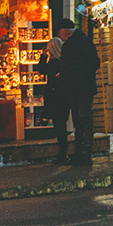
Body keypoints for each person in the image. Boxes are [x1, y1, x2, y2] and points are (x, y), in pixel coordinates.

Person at [56, 18, 98, 166]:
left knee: (83, 119)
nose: (59, 35)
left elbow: (93, 63)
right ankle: (80, 151)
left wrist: (78, 79)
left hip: (81, 89)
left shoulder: (80, 43)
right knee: (79, 121)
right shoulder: (76, 43)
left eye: (59, 32)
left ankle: (85, 151)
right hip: (76, 88)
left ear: (66, 31)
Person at [35, 35, 67, 163]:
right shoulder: (65, 61)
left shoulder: (53, 63)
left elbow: (41, 69)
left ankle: (62, 155)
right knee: (62, 125)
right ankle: (63, 153)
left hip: (55, 97)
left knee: (59, 126)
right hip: (63, 97)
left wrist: (43, 56)